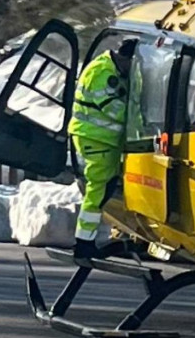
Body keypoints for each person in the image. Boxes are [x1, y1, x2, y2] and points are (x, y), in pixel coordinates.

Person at [70, 39, 136, 260]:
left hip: (100, 139)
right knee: (99, 189)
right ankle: (84, 243)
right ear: (125, 59)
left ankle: (86, 240)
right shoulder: (103, 74)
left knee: (104, 187)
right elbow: (114, 109)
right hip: (97, 139)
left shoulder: (106, 67)